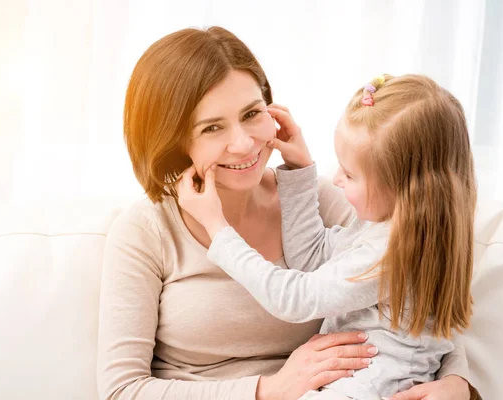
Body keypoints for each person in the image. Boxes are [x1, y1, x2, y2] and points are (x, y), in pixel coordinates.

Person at [96, 26, 481, 400]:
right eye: (212, 127)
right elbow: (122, 390)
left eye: (251, 114)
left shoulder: (325, 197)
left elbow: (415, 295)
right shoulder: (145, 231)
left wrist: (456, 384)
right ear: (171, 141)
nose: (244, 144)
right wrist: (270, 390)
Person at [175, 73, 476, 400]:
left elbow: (294, 298)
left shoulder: (392, 254)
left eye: (349, 174)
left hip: (367, 389)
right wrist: (299, 171)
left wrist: (218, 230)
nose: (336, 180)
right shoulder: (393, 229)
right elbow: (312, 258)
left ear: (403, 189)